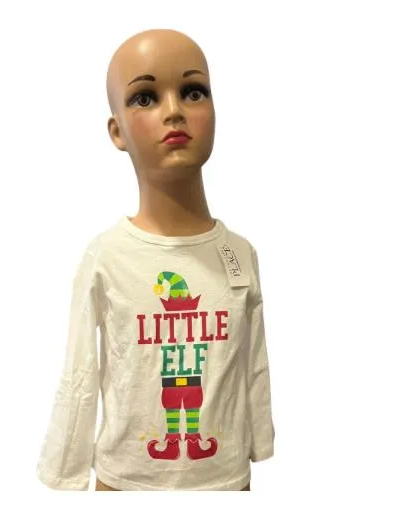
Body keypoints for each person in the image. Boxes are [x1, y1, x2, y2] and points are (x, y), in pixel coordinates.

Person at [36, 28, 274, 492]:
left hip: (224, 481)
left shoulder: (239, 254)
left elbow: (253, 361)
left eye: (193, 91)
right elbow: (80, 366)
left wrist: (259, 440)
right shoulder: (107, 256)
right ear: (117, 131)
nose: (173, 111)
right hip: (128, 482)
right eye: (145, 98)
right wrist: (66, 468)